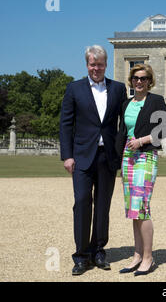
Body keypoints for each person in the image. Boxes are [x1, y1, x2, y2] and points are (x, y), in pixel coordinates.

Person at [60, 45, 127, 276]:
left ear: (105, 64)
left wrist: (119, 154)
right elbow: (66, 124)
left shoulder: (118, 89)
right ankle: (81, 255)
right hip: (81, 157)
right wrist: (67, 155)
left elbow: (124, 125)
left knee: (102, 206)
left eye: (100, 64)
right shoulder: (74, 89)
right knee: (81, 202)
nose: (96, 68)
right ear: (86, 65)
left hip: (107, 156)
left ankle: (98, 250)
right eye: (92, 64)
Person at [116, 64, 166, 276]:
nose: (139, 81)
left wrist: (142, 141)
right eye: (136, 78)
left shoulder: (155, 101)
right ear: (131, 81)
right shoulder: (126, 104)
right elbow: (122, 131)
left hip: (146, 156)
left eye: (144, 78)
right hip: (128, 158)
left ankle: (148, 257)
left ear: (150, 81)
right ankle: (137, 255)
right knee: (133, 209)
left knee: (141, 206)